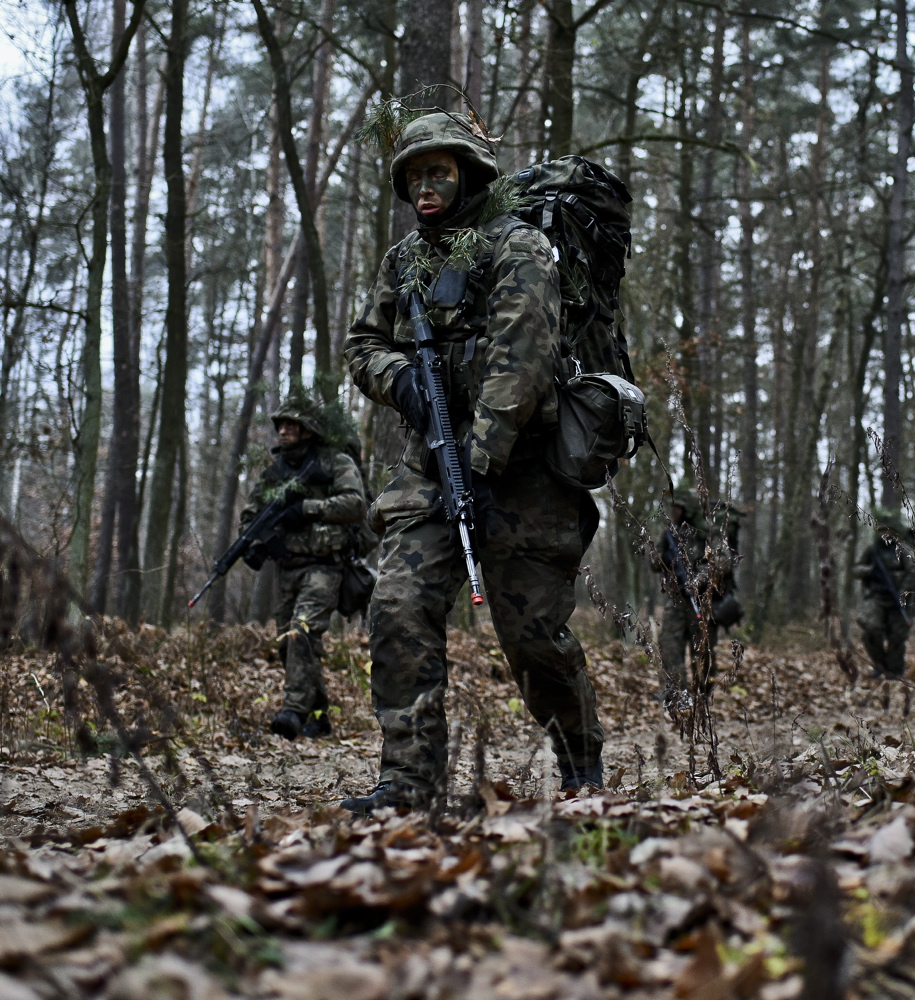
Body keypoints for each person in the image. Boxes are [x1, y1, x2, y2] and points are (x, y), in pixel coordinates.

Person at [340, 112, 604, 814]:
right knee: (397, 605)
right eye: (414, 177)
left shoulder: (517, 247)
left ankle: (581, 762)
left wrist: (480, 464)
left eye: (439, 173)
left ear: (469, 174)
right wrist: (402, 382)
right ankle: (408, 778)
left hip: (522, 472)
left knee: (531, 638)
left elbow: (522, 363)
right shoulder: (405, 262)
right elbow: (363, 344)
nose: (425, 188)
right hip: (431, 467)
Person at [240, 398, 367, 740]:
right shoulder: (274, 471)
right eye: (280, 425)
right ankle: (320, 715)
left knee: (301, 633)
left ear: (309, 430)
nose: (284, 431)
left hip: (325, 565)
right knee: (290, 645)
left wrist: (307, 508)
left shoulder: (335, 462)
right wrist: (255, 541)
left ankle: (293, 713)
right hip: (287, 568)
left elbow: (356, 503)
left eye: (292, 425)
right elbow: (251, 515)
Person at [654, 483, 740, 700]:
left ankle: (703, 694)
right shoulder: (670, 534)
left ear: (687, 509)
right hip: (677, 597)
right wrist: (659, 555)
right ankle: (675, 692)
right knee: (669, 644)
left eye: (678, 508)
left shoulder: (708, 529)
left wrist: (698, 578)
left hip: (704, 599)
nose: (673, 513)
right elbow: (654, 563)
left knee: (702, 650)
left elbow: (722, 560)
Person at [853, 508, 915, 680]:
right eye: (881, 531)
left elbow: (912, 573)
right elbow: (856, 569)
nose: (884, 535)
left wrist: (902, 593)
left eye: (888, 531)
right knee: (870, 630)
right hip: (877, 597)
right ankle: (880, 666)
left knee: (897, 636)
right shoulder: (872, 551)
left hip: (899, 600)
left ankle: (894, 670)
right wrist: (870, 571)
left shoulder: (903, 550)